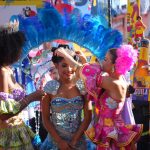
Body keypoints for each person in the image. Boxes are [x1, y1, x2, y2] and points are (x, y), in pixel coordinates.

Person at [55, 44, 143, 149]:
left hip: (111, 135)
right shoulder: (119, 79)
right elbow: (90, 74)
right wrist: (84, 61)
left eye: (105, 59)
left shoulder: (112, 83)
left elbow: (81, 70)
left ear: (115, 65)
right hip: (110, 132)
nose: (102, 62)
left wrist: (65, 55)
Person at [40, 44, 92, 150]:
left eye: (71, 65)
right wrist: (59, 141)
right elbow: (45, 118)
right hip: (55, 143)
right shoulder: (50, 87)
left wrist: (74, 141)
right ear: (56, 65)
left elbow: (87, 117)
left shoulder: (83, 86)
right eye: (64, 65)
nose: (69, 69)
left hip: (78, 142)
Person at [0, 26, 44, 149]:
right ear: (9, 49)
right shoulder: (2, 72)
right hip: (9, 137)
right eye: (19, 47)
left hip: (18, 130)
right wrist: (31, 98)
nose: (21, 50)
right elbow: (3, 115)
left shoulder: (8, 70)